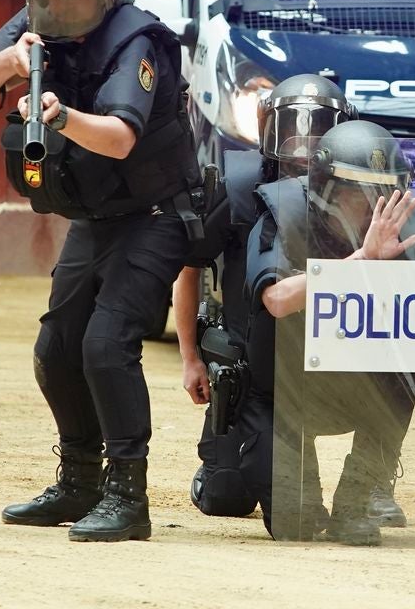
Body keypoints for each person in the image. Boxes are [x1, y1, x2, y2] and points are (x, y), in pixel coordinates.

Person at [0, 0, 202, 543]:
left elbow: (120, 138)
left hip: (155, 214)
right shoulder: (38, 21)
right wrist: (10, 59)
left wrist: (62, 117)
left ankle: (128, 494)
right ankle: (79, 481)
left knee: (106, 342)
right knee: (57, 349)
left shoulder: (136, 40)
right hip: (95, 215)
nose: (62, 1)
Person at [173, 73, 364, 521]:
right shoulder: (237, 187)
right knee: (227, 500)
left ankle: (368, 485)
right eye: (293, 127)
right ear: (268, 128)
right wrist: (190, 359)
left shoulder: (359, 186)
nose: (304, 143)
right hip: (253, 367)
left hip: (328, 361)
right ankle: (229, 461)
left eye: (319, 129)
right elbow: (189, 266)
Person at [247, 120, 415, 545]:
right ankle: (294, 485)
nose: (371, 206)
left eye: (380, 192)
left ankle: (359, 498)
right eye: (356, 192)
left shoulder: (398, 222)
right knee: (293, 523)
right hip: (282, 389)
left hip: (355, 382)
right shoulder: (284, 211)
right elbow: (277, 299)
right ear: (326, 189)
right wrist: (364, 258)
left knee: (410, 367)